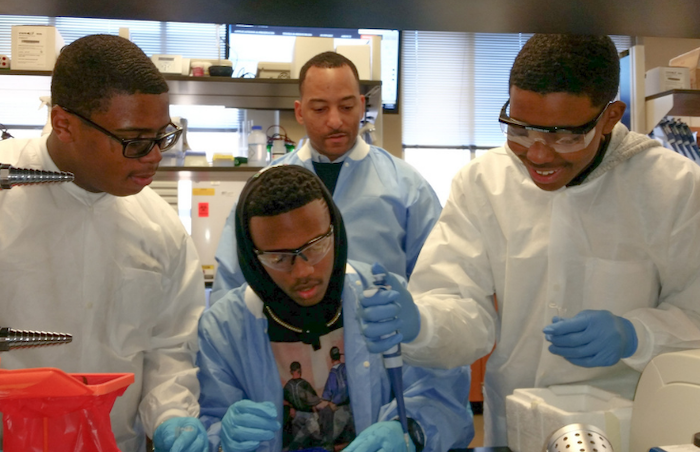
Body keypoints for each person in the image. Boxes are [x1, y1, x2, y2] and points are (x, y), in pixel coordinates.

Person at [357, 34, 700, 446]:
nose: (537, 155)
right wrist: (421, 323)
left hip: (622, 426)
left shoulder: (673, 188)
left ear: (610, 117)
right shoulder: (483, 182)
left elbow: (694, 313)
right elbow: (465, 310)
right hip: (516, 424)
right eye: (519, 130)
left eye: (565, 137)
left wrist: (636, 334)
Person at [0, 34, 208, 451]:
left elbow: (169, 351)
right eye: (134, 138)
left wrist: (172, 417)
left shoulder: (160, 229)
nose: (154, 155)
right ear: (64, 124)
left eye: (161, 135)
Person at [197, 165, 473, 452]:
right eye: (278, 258)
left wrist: (413, 432)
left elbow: (446, 398)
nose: (303, 270)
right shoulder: (223, 329)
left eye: (316, 246)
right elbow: (205, 422)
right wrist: (220, 439)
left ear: (336, 232)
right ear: (252, 258)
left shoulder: (383, 300)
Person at [209, 51, 441, 303]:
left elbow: (437, 280)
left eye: (346, 107)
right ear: (299, 112)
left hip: (381, 335)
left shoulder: (406, 186)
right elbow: (229, 288)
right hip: (285, 337)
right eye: (320, 108)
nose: (335, 121)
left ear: (362, 106)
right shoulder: (265, 187)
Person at [283, 361, 324, 450]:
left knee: (298, 442)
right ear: (300, 370)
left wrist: (291, 407)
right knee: (316, 438)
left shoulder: (287, 386)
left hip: (295, 416)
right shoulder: (304, 384)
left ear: (291, 372)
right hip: (307, 416)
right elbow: (312, 401)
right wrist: (316, 413)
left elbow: (283, 401)